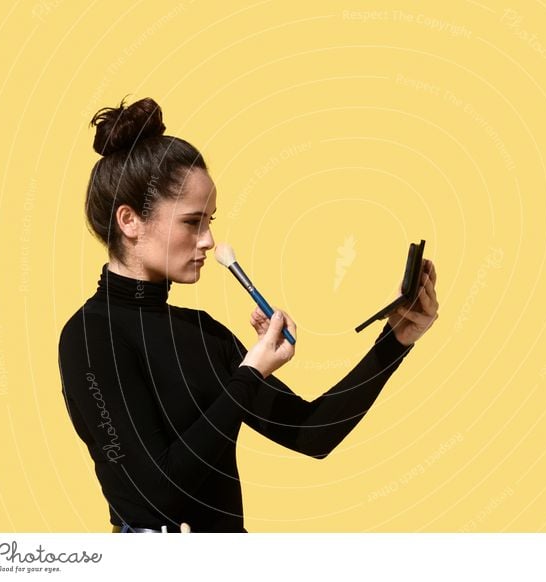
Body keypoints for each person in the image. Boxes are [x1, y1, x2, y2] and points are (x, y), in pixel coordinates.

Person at [57, 96, 440, 533]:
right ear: (130, 221)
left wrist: (396, 339)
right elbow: (156, 494)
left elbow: (313, 434)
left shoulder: (204, 334)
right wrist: (249, 374)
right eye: (192, 222)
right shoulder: (89, 337)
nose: (208, 240)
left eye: (210, 220)